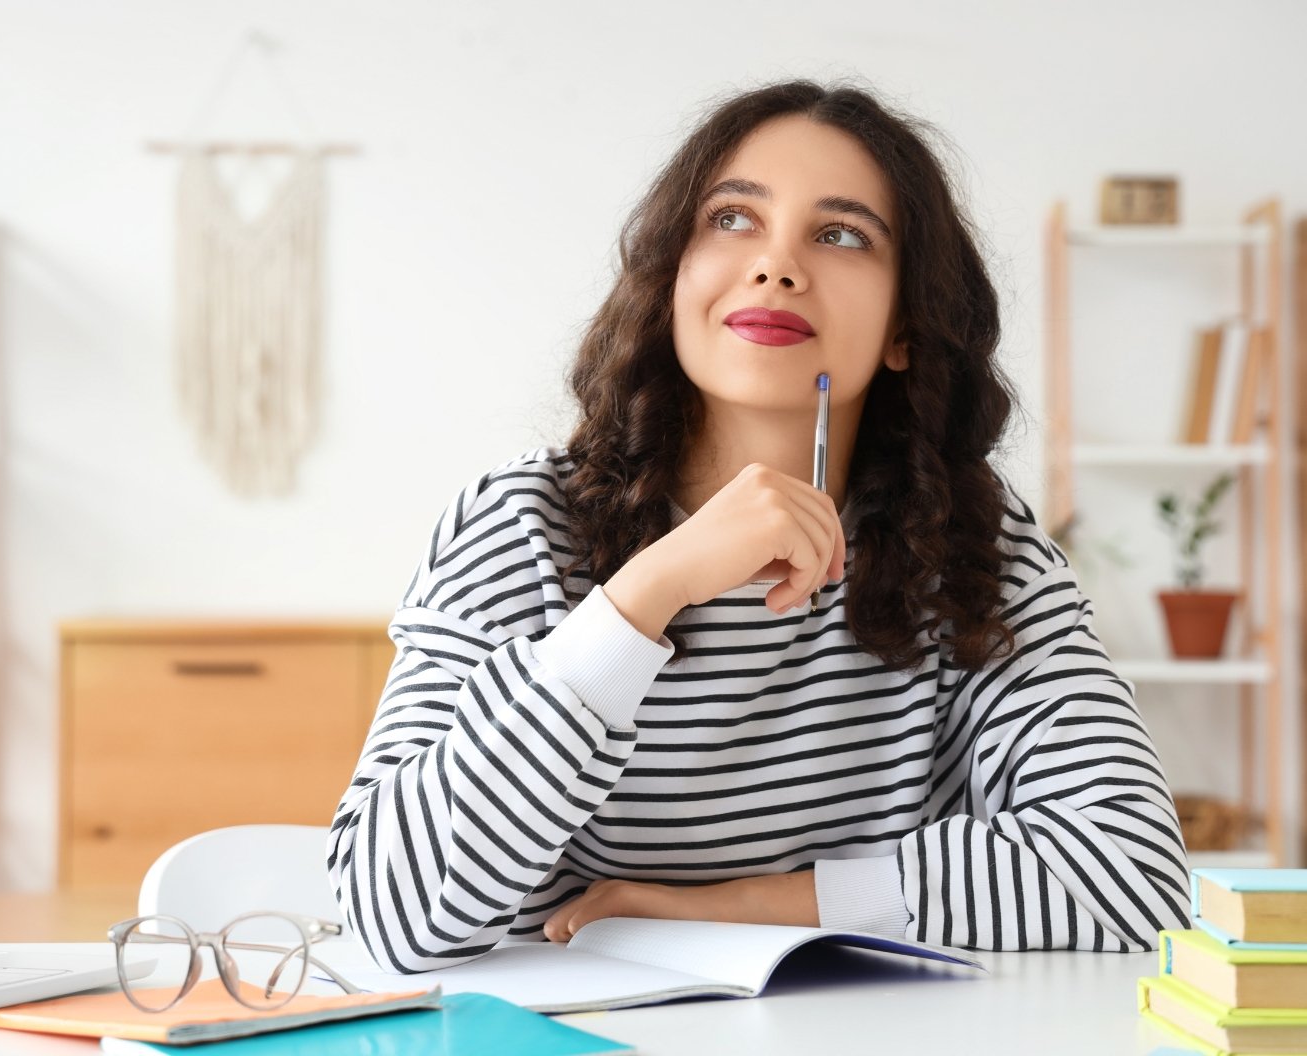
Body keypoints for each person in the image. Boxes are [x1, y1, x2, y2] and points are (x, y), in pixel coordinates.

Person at [327, 80, 1191, 974]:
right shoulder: (517, 525)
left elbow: (1132, 869)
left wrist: (743, 909)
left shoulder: (975, 545)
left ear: (905, 325)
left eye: (842, 234)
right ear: (674, 276)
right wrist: (642, 600)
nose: (777, 265)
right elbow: (391, 913)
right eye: (733, 219)